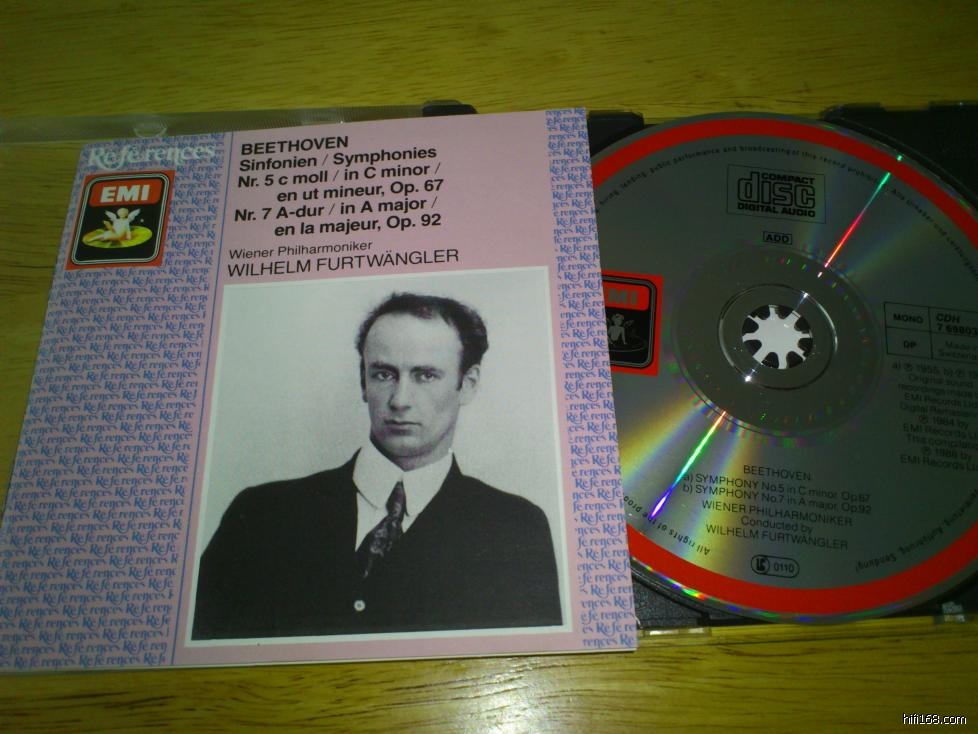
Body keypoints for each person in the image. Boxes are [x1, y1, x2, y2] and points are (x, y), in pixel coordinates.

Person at [192, 292, 562, 639]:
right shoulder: (260, 515)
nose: (400, 400)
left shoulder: (515, 530)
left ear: (468, 384)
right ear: (363, 382)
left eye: (426, 375)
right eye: (384, 374)